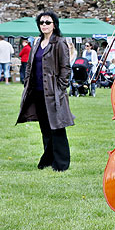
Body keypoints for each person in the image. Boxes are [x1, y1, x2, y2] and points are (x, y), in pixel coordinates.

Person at [16, 11, 75, 171]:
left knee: (57, 127)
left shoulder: (59, 42)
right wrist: (27, 81)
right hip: (37, 92)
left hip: (54, 93)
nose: (44, 25)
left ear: (54, 24)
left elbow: (65, 67)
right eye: (41, 22)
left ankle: (61, 164)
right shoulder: (37, 42)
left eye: (47, 22)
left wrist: (61, 87)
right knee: (45, 128)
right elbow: (29, 65)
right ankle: (47, 159)